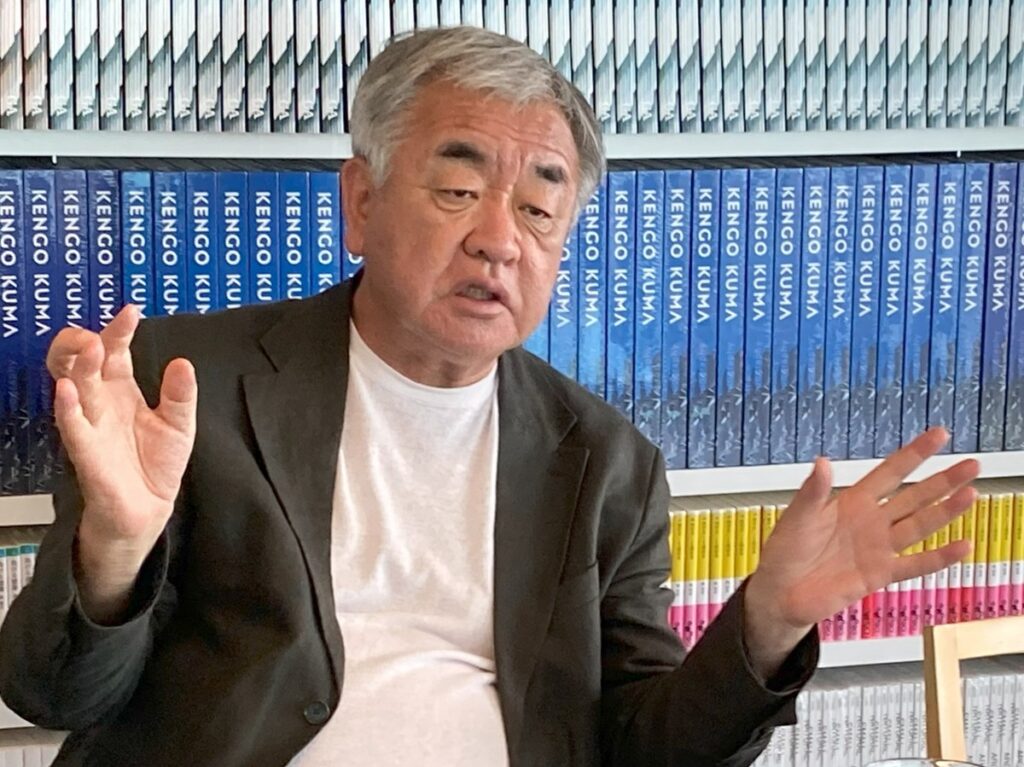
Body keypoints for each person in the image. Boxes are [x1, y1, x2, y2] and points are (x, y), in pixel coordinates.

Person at [0, 27, 977, 767]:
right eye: (458, 192)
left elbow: (646, 744)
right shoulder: (180, 385)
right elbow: (54, 694)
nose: (500, 240)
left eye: (540, 208)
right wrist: (115, 547)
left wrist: (766, 620)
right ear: (361, 203)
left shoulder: (609, 462)